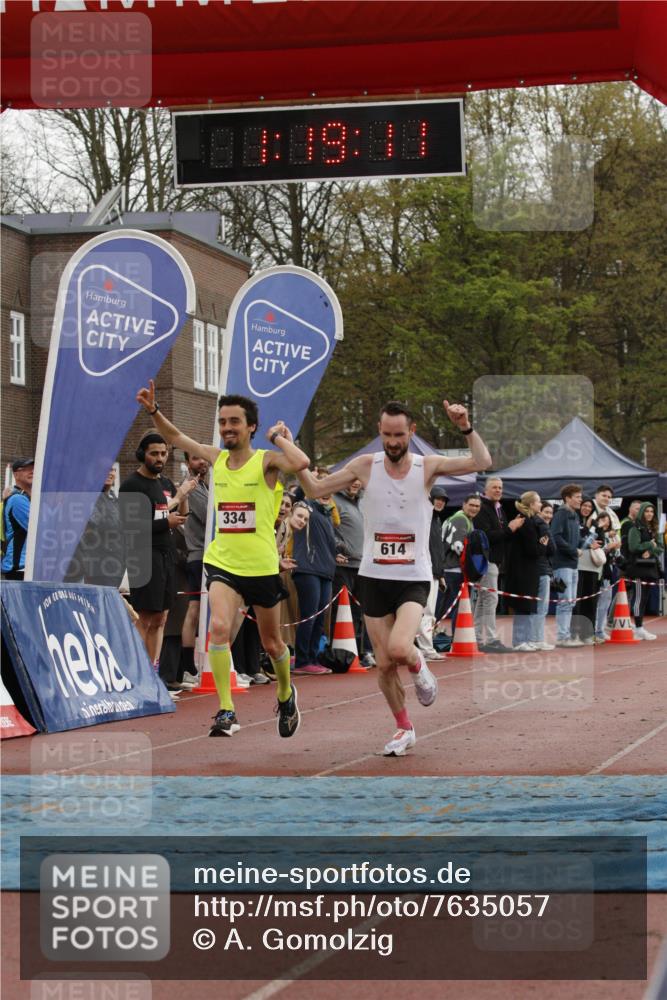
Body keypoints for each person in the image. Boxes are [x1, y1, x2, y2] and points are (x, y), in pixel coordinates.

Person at [298, 398, 491, 757]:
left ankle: (421, 669)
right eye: (386, 435)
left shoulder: (427, 466)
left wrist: (464, 425)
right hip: (373, 576)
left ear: (411, 432)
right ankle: (404, 727)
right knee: (384, 663)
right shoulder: (364, 466)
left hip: (413, 576)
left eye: (399, 435)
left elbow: (482, 462)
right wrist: (287, 449)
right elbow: (314, 489)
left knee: (401, 648)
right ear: (379, 432)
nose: (392, 442)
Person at [135, 379, 309, 738]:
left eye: (234, 422)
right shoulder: (216, 458)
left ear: (251, 427)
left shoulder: (267, 462)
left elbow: (302, 461)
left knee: (272, 643)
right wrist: (153, 411)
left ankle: (285, 693)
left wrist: (278, 437)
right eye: (223, 422)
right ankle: (226, 709)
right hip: (222, 562)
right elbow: (178, 438)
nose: (227, 428)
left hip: (260, 566)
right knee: (217, 628)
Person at [120, 433, 195, 665]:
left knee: (161, 618)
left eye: (163, 453)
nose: (160, 458)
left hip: (166, 554)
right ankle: (138, 670)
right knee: (145, 618)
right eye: (154, 453)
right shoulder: (132, 485)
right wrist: (166, 521)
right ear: (143, 454)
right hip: (144, 557)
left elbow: (181, 514)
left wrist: (183, 495)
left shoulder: (164, 484)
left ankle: (152, 670)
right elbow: (131, 526)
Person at [472, 477, 525, 653]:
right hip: (486, 560)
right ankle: (491, 639)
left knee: (483, 600)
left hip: (494, 560)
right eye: (494, 487)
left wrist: (512, 529)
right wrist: (509, 529)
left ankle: (479, 638)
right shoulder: (482, 508)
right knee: (490, 599)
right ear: (485, 490)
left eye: (500, 488)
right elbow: (486, 536)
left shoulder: (499, 509)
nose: (498, 490)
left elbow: (502, 535)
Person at [290, 481, 337, 676]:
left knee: (319, 619)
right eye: (322, 489)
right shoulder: (306, 506)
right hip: (307, 569)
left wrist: (338, 551)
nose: (326, 493)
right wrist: (309, 477)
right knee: (309, 616)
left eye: (329, 490)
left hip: (326, 570)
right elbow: (300, 491)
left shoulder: (327, 516)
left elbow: (329, 543)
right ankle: (301, 660)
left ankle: (312, 658)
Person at [332, 478, 374, 665]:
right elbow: (328, 529)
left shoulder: (361, 503)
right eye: (351, 480)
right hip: (343, 567)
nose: (355, 484)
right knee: (342, 612)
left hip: (362, 566)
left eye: (358, 481)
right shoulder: (334, 501)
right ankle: (341, 655)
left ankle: (358, 652)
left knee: (359, 613)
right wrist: (339, 548)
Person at [64, 467, 125, 588]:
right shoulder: (88, 498)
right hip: (97, 565)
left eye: (112, 470)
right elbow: (101, 526)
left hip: (116, 563)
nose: (109, 473)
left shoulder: (113, 498)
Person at [180, 451, 210, 684]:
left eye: (204, 458)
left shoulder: (206, 486)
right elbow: (209, 515)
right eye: (196, 459)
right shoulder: (192, 487)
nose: (202, 462)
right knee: (195, 610)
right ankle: (187, 666)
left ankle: (198, 664)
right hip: (199, 555)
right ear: (188, 462)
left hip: (209, 555)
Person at [504, 491, 548, 651]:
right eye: (538, 502)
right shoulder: (526, 522)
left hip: (527, 570)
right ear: (530, 504)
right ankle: (519, 640)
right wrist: (543, 544)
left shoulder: (527, 520)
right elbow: (532, 550)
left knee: (528, 605)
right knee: (524, 605)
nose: (541, 504)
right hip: (523, 571)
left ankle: (526, 639)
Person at [415, 485, 449, 660]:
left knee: (428, 612)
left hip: (433, 572)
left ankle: (424, 647)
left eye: (443, 500)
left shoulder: (436, 520)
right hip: (423, 571)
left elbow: (437, 550)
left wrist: (440, 574)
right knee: (426, 612)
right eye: (438, 498)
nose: (441, 502)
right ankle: (426, 648)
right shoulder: (424, 518)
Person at [440, 493, 482, 637]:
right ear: (463, 504)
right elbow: (459, 547)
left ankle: (454, 639)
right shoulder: (461, 519)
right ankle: (457, 640)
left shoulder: (464, 519)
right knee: (454, 608)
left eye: (477, 506)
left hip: (451, 569)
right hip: (454, 570)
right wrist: (474, 566)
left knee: (446, 608)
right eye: (471, 505)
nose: (474, 508)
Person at [551, 483, 584, 648]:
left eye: (580, 496)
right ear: (567, 498)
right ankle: (562, 637)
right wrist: (573, 550)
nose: (581, 500)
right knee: (564, 601)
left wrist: (585, 544)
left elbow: (575, 539)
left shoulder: (575, 516)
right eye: (577, 497)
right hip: (562, 565)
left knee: (570, 601)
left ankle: (565, 635)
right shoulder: (561, 514)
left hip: (572, 565)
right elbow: (555, 537)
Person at [626, 502, 663, 640]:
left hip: (650, 568)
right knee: (639, 597)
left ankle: (639, 628)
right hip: (638, 568)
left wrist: (650, 549)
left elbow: (660, 547)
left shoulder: (654, 528)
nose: (649, 514)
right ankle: (638, 627)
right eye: (647, 511)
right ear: (642, 512)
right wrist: (649, 544)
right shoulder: (635, 528)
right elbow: (633, 546)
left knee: (645, 597)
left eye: (651, 511)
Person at [572, 497, 604, 644]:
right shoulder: (574, 520)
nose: (586, 508)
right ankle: (575, 634)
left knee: (590, 601)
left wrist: (593, 530)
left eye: (589, 507)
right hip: (578, 565)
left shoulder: (595, 524)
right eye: (584, 505)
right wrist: (588, 531)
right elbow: (578, 539)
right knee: (577, 601)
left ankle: (588, 634)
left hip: (593, 566)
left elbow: (600, 541)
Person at [1, 458, 34, 581]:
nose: (32, 471)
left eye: (34, 469)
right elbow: (39, 527)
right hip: (20, 567)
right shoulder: (17, 499)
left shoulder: (28, 498)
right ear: (16, 474)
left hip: (27, 566)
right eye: (26, 469)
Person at [531, 501, 555, 649]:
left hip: (541, 569)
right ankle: (537, 639)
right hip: (541, 570)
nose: (548, 516)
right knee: (541, 607)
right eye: (545, 511)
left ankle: (535, 638)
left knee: (538, 607)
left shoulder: (538, 525)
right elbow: (552, 549)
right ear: (539, 511)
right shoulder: (541, 526)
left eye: (551, 513)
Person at [593, 511, 620, 643]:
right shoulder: (596, 533)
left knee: (606, 600)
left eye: (608, 519)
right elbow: (593, 548)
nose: (606, 521)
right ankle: (594, 630)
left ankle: (600, 629)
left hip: (608, 569)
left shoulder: (612, 535)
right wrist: (607, 547)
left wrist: (614, 547)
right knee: (595, 600)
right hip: (596, 569)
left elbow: (617, 553)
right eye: (602, 519)